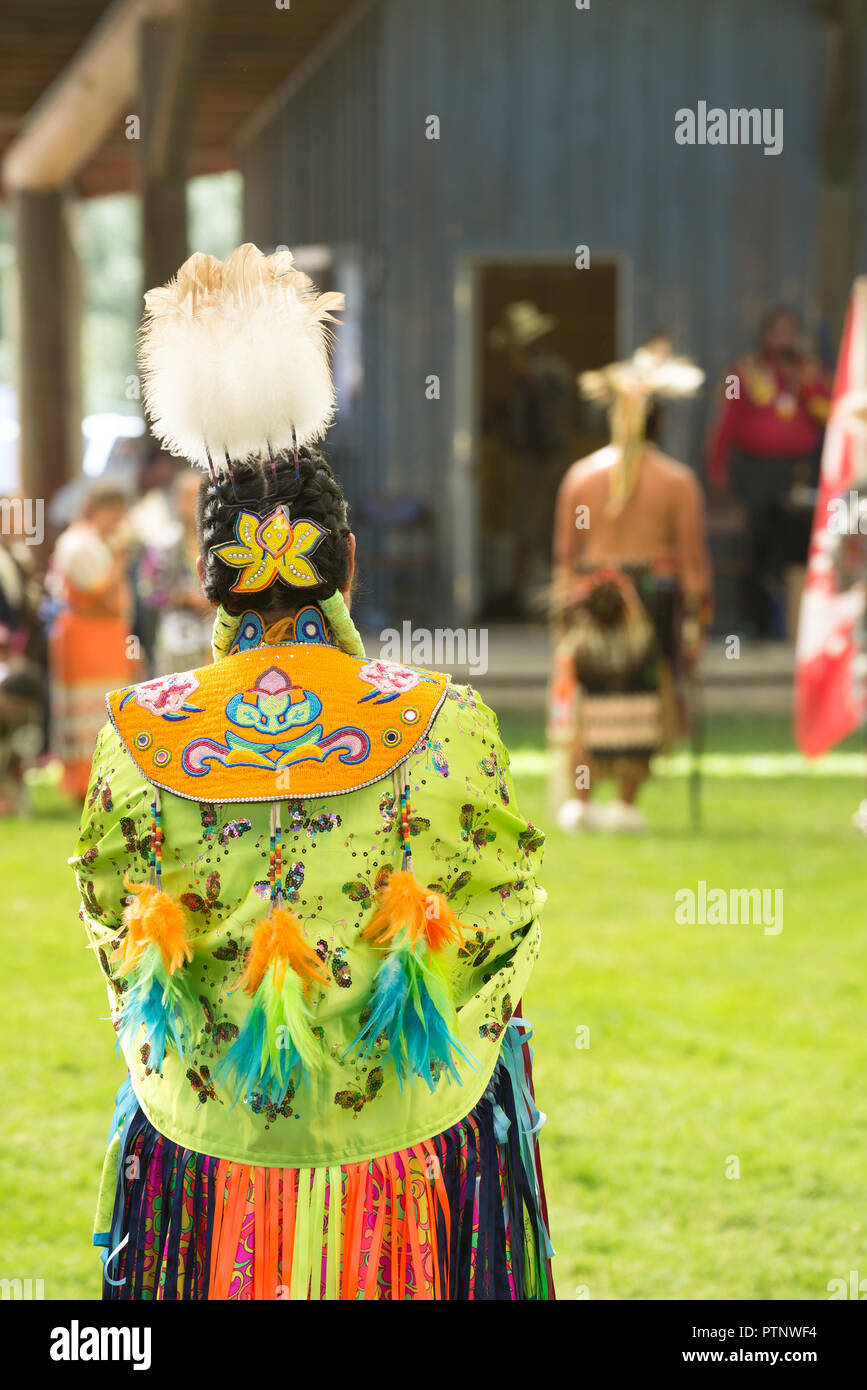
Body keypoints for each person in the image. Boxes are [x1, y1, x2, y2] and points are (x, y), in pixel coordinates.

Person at [71, 244, 553, 1301]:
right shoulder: (447, 720)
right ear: (350, 564)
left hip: (206, 1164)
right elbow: (497, 922)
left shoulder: (136, 732)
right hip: (405, 1169)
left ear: (209, 585)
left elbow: (122, 934)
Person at [550, 339, 712, 833]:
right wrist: (698, 624)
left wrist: (563, 623)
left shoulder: (580, 476)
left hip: (590, 599)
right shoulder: (677, 481)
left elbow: (565, 560)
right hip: (650, 600)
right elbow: (694, 565)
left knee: (591, 697)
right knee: (642, 696)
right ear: (659, 420)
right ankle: (623, 802)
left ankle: (581, 802)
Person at [706, 306, 831, 637]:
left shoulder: (812, 372)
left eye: (792, 330)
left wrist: (804, 390)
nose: (785, 337)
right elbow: (725, 422)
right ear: (766, 335)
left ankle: (799, 626)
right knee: (756, 547)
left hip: (802, 471)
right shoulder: (742, 373)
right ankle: (757, 625)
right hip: (756, 471)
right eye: (779, 330)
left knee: (801, 545)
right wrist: (717, 468)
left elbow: (831, 416)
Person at [47, 485, 137, 799]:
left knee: (106, 703)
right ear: (95, 509)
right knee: (86, 708)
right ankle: (83, 782)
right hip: (85, 635)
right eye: (111, 511)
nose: (116, 520)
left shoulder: (97, 541)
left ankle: (105, 778)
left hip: (106, 636)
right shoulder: (79, 542)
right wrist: (120, 560)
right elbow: (98, 590)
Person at [137, 470, 214, 675]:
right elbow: (146, 589)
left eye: (201, 494)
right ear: (177, 501)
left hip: (216, 637)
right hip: (178, 638)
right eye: (189, 495)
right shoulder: (164, 542)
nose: (196, 501)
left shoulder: (219, 539)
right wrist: (182, 598)